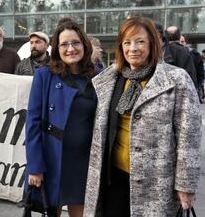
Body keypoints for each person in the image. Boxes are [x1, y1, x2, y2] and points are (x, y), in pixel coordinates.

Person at [84, 17, 201, 216]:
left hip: (156, 182)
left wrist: (185, 185)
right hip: (113, 179)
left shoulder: (176, 79)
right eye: (127, 43)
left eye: (140, 41)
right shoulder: (110, 78)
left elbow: (189, 136)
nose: (133, 48)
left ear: (152, 44)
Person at [26, 19, 96, 217]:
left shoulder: (97, 77)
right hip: (53, 157)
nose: (70, 49)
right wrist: (35, 166)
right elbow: (32, 123)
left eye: (75, 43)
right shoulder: (44, 76)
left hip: (84, 161)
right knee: (51, 210)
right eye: (64, 44)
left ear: (84, 45)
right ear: (56, 49)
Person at [179, 34, 205, 103]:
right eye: (178, 42)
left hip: (190, 90)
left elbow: (200, 74)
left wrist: (195, 86)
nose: (180, 44)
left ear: (185, 43)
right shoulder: (170, 53)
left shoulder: (194, 54)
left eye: (182, 42)